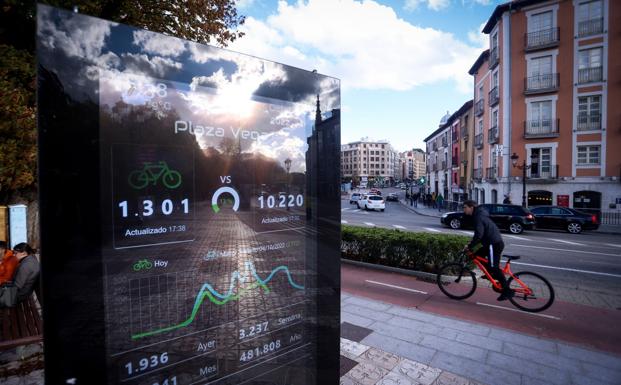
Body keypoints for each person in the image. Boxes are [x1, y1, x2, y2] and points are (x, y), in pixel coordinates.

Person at [462, 200, 513, 301]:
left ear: (471, 207)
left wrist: (470, 246)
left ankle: (507, 291)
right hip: (491, 243)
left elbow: (479, 235)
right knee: (477, 255)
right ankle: (490, 273)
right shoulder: (480, 214)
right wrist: (471, 243)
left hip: (493, 244)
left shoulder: (478, 217)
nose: (464, 210)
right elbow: (480, 233)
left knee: (494, 267)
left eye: (465, 207)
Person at [0, 242, 40, 307]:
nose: (14, 255)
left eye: (16, 253)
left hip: (16, 297)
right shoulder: (31, 259)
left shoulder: (26, 265)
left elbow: (17, 286)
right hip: (21, 294)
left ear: (24, 253)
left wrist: (3, 289)